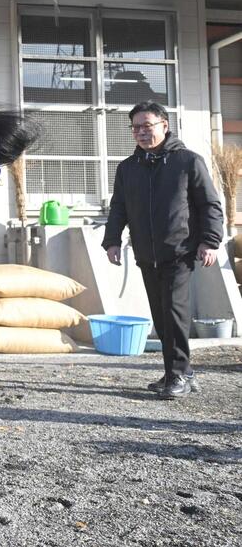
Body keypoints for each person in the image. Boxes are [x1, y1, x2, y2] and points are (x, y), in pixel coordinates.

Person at [102, 100, 222, 399]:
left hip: (179, 252)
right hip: (146, 253)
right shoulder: (128, 168)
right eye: (136, 128)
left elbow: (210, 204)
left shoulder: (188, 162)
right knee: (160, 315)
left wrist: (210, 241)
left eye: (147, 126)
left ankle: (178, 374)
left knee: (174, 313)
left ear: (164, 126)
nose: (141, 132)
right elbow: (119, 207)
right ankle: (180, 373)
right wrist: (112, 240)